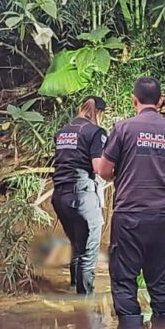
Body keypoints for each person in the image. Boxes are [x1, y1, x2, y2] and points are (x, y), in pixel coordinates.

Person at [97, 77, 165, 326]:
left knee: (125, 280)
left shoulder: (123, 129)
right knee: (160, 284)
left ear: (133, 100)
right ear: (161, 101)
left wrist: (125, 172)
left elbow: (104, 171)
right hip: (162, 218)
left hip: (129, 217)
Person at [51, 96, 108, 294]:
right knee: (88, 253)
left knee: (76, 245)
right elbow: (99, 168)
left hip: (59, 197)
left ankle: (74, 289)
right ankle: (85, 307)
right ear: (99, 114)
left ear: (80, 108)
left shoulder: (63, 131)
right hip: (82, 196)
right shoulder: (96, 132)